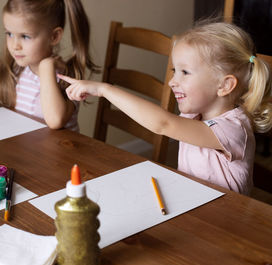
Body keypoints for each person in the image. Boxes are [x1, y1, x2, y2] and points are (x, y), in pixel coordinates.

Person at [58, 21, 272, 195]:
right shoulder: (194, 113)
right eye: (174, 70)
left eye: (185, 73)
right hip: (193, 210)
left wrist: (104, 89)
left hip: (224, 228)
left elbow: (162, 124)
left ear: (224, 85)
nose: (172, 82)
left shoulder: (233, 129)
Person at [0, 0, 98, 132]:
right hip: (27, 150)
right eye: (9, 34)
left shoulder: (67, 77)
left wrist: (46, 68)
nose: (15, 46)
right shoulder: (15, 72)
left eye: (25, 36)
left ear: (54, 36)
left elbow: (55, 120)